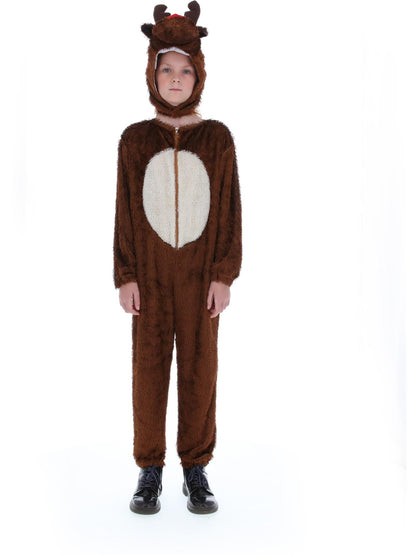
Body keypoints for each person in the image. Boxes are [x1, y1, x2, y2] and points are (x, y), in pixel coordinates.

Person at [113, 1, 242, 515]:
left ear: (199, 75)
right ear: (151, 72)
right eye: (165, 68)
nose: (174, 78)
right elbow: (124, 211)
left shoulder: (218, 139)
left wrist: (223, 274)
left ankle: (195, 467)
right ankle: (149, 469)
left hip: (199, 280)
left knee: (199, 369)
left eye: (185, 70)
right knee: (148, 372)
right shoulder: (134, 140)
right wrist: (125, 274)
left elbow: (229, 210)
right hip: (148, 280)